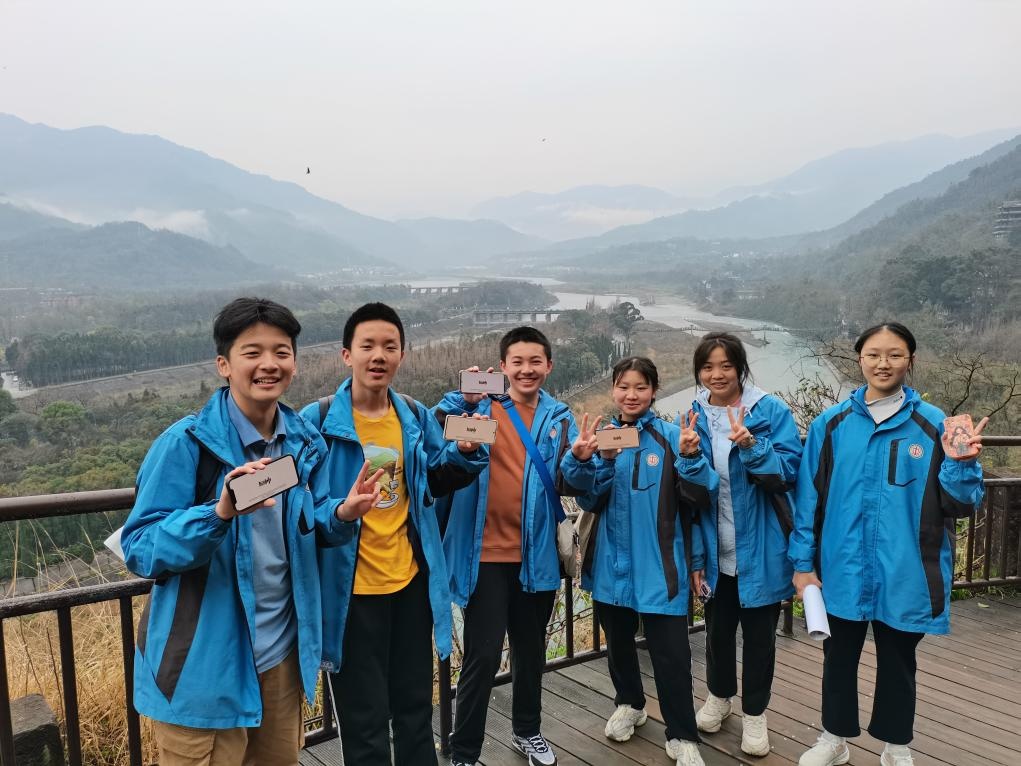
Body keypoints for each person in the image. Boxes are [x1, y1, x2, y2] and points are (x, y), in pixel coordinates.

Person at [122, 297, 374, 766]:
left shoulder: (303, 441)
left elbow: (306, 521)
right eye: (252, 352)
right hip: (204, 670)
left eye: (281, 351)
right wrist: (217, 514)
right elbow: (139, 547)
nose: (268, 364)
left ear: (294, 362)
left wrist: (341, 513)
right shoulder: (186, 444)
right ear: (224, 364)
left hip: (280, 660)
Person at [789, 323, 987, 766]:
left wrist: (963, 466)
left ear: (910, 361)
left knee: (899, 661)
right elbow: (808, 501)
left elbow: (962, 505)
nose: (883, 364)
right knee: (838, 657)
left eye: (895, 355)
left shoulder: (936, 424)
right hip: (841, 566)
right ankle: (834, 738)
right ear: (859, 359)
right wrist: (802, 565)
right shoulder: (831, 425)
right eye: (874, 354)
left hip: (907, 569)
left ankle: (896, 745)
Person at [303, 302, 489, 766]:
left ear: (402, 355)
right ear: (347, 354)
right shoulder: (317, 422)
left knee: (414, 711)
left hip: (409, 588)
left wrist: (465, 453)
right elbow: (300, 509)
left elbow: (435, 478)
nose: (378, 355)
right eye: (367, 345)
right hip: (351, 597)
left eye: (389, 346)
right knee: (364, 722)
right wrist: (341, 511)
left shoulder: (412, 414)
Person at [433, 326, 599, 766]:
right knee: (483, 656)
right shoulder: (478, 408)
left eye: (535, 361)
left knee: (530, 651)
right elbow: (434, 437)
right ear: (503, 367)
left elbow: (572, 482)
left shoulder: (559, 419)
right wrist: (461, 397)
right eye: (518, 362)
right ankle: (464, 751)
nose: (527, 370)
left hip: (536, 556)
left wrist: (582, 460)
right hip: (484, 556)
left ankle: (528, 731)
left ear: (549, 365)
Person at [577, 357, 713, 766]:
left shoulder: (674, 437)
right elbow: (588, 499)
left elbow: (699, 500)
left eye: (640, 387)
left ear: (654, 390)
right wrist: (595, 460)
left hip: (661, 568)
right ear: (613, 390)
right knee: (618, 645)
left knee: (672, 656)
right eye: (623, 386)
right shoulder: (602, 438)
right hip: (611, 566)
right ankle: (630, 704)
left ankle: (682, 734)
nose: (631, 395)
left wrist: (691, 457)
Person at [687, 332, 802, 757]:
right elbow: (692, 494)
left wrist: (752, 445)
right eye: (707, 367)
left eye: (725, 366)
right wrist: (687, 459)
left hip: (762, 548)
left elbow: (788, 473)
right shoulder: (694, 414)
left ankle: (755, 714)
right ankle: (719, 697)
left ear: (740, 368)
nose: (716, 375)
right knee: (717, 634)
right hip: (716, 548)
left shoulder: (768, 410)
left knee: (759, 639)